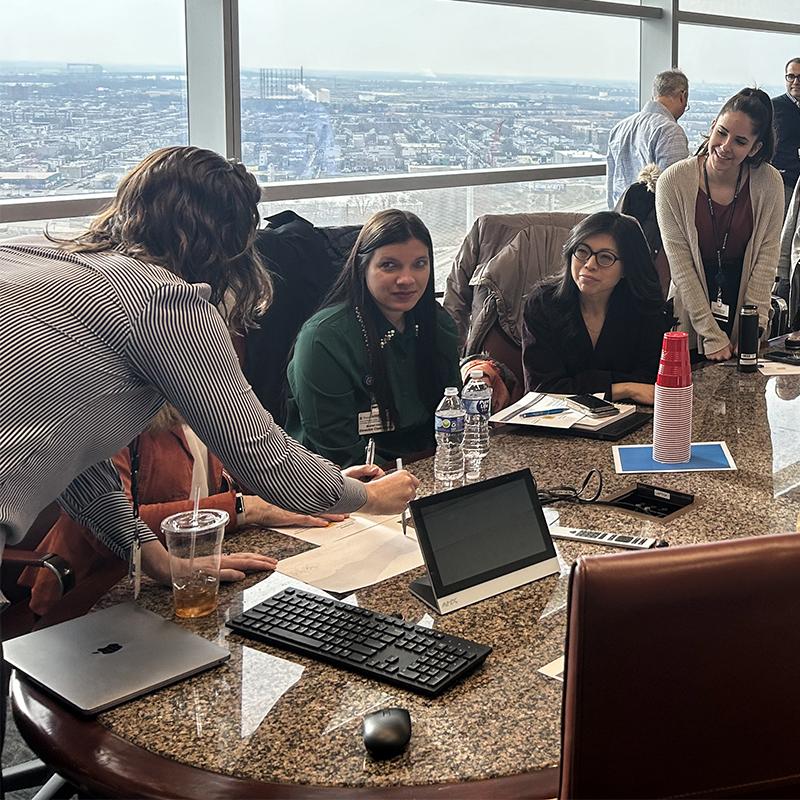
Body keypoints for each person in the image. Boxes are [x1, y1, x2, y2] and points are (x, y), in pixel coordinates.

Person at [0, 146, 418, 586]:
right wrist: (367, 497)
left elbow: (81, 462)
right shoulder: (159, 300)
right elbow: (261, 457)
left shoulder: (26, 255)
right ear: (231, 243)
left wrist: (158, 562)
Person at [18, 404, 362, 617]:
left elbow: (234, 475)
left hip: (181, 576)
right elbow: (111, 522)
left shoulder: (199, 413)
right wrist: (244, 509)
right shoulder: (114, 416)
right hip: (91, 591)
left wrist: (320, 485)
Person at [285, 209, 461, 467]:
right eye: (389, 265)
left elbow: (451, 411)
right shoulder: (324, 339)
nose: (407, 279)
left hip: (427, 467)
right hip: (345, 482)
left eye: (420, 264)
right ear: (362, 266)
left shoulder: (436, 323)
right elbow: (337, 451)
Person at [656, 88, 784, 361]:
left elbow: (766, 257)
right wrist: (710, 334)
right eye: (722, 132)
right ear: (713, 125)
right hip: (691, 307)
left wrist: (753, 323)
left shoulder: (769, 182)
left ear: (755, 148)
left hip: (744, 301)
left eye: (739, 141)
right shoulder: (673, 182)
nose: (725, 147)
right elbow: (680, 266)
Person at [521, 211, 669, 405]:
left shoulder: (644, 308)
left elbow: (650, 380)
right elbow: (543, 388)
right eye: (582, 252)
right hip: (554, 422)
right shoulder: (542, 304)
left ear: (627, 268)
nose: (589, 265)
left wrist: (581, 384)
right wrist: (625, 388)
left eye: (605, 258)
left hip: (628, 420)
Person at [606, 69, 690, 208]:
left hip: (621, 220)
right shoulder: (669, 130)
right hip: (651, 223)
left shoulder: (619, 127)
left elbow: (611, 185)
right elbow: (673, 191)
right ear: (683, 96)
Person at [771, 58, 800, 213]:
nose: (795, 81)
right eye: (791, 76)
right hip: (784, 183)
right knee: (782, 232)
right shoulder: (773, 107)